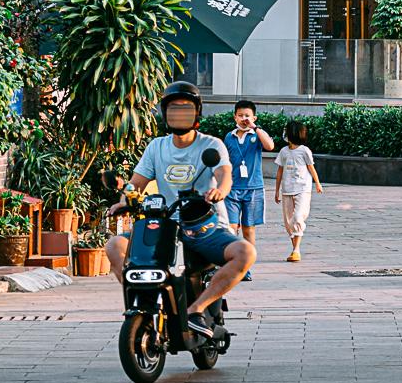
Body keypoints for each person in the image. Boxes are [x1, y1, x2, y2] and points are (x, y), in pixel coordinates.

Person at [104, 80, 255, 340]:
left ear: (197, 113)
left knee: (245, 252)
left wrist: (221, 190)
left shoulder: (211, 145)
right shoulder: (157, 147)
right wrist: (123, 200)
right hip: (166, 226)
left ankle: (197, 309)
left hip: (205, 226)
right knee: (114, 246)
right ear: (165, 114)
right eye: (174, 109)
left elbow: (224, 173)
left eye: (186, 109)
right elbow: (136, 183)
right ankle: (142, 302)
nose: (179, 114)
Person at [224, 99, 275, 278]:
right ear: (234, 117)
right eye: (240, 115)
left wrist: (255, 128)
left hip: (253, 188)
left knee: (249, 228)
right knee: (231, 227)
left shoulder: (257, 135)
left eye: (247, 115)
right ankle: (231, 262)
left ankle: (246, 265)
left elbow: (270, 146)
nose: (244, 119)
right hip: (232, 188)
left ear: (254, 117)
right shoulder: (229, 137)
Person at [274, 120, 323, 261]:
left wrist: (318, 183)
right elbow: (279, 171)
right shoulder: (283, 151)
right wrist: (277, 191)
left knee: (298, 217)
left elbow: (311, 167)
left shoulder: (304, 150)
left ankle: (296, 249)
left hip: (303, 189)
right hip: (287, 190)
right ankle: (295, 250)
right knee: (289, 222)